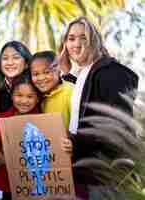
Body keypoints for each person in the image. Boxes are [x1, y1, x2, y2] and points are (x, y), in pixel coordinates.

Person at [58, 16, 139, 199]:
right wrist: (67, 73)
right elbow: (87, 99)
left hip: (105, 175)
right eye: (71, 39)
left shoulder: (112, 73)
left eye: (83, 38)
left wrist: (76, 142)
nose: (76, 44)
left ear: (95, 41)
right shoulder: (87, 72)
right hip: (86, 171)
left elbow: (115, 125)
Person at [0, 70, 40, 200]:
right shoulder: (3, 118)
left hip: (36, 181)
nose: (24, 101)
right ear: (11, 96)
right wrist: (13, 163)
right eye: (19, 95)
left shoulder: (43, 120)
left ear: (38, 98)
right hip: (9, 179)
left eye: (30, 96)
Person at [29, 51, 73, 130]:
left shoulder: (70, 92)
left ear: (58, 70)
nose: (41, 78)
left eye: (46, 72)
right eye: (35, 74)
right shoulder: (38, 96)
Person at [0, 41, 32, 112]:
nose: (10, 63)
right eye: (5, 58)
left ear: (26, 63)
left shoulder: (36, 87)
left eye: (16, 57)